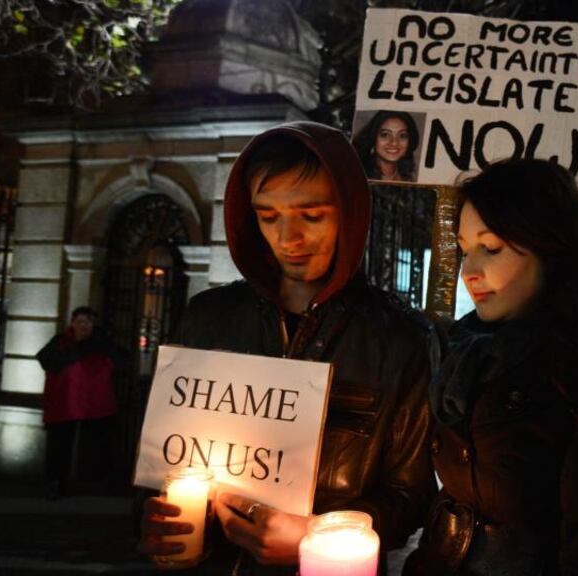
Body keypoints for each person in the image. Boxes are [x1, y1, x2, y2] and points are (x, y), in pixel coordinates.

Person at [137, 122, 438, 574]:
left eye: (312, 215)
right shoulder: (207, 318)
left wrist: (315, 535)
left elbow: (410, 495)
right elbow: (164, 467)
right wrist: (153, 518)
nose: (288, 238)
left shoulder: (401, 340)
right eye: (268, 216)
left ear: (351, 214)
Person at [405, 159, 578, 575]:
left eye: (490, 248)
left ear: (552, 248)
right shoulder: (465, 351)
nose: (468, 271)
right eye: (464, 249)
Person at [38, 306, 124, 499]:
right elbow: (48, 360)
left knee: (96, 447)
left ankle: (95, 484)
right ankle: (56, 483)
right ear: (73, 323)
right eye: (80, 322)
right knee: (59, 447)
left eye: (89, 322)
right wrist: (79, 350)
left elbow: (120, 362)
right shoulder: (60, 342)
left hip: (94, 404)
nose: (85, 326)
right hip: (64, 403)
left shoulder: (102, 344)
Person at [353, 110, 420, 182]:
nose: (394, 143)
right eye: (385, 135)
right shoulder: (358, 176)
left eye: (402, 135)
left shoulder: (409, 179)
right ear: (373, 138)